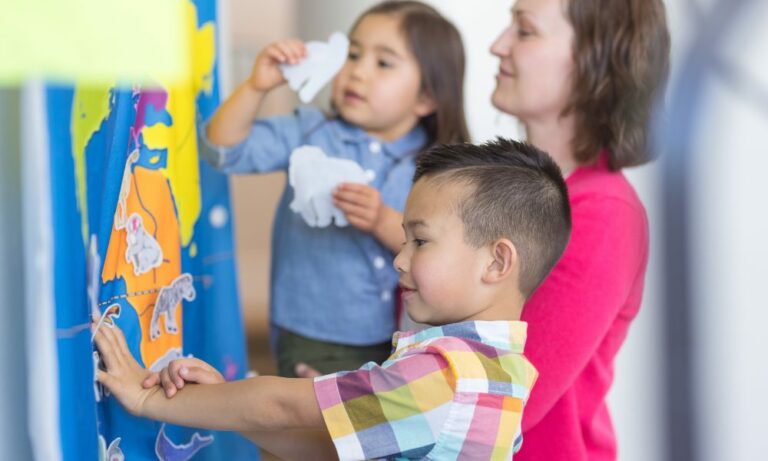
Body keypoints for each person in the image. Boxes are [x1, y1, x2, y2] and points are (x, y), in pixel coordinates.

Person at [94, 138, 572, 460]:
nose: (399, 260)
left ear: (496, 262)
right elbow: (329, 445)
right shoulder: (504, 373)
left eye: (421, 242)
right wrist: (219, 399)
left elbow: (286, 407)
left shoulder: (445, 377)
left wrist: (146, 398)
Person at [202, 0, 469, 378]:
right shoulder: (309, 131)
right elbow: (222, 150)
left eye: (383, 63)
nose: (357, 72)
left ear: (426, 97)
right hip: (312, 333)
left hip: (399, 337)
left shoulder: (436, 168)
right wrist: (255, 87)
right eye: (353, 54)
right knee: (316, 427)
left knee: (363, 432)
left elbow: (446, 253)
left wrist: (380, 220)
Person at [488, 0, 670, 460]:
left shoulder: (606, 214)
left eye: (524, 31)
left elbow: (498, 406)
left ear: (594, 61)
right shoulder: (485, 187)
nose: (498, 46)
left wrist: (311, 412)